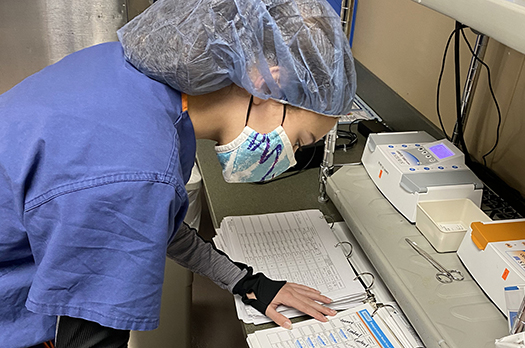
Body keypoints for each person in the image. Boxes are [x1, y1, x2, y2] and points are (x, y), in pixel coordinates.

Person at [0, 0, 356, 346]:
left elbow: (144, 226)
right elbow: (89, 337)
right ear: (264, 84)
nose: (291, 158)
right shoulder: (136, 167)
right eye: (299, 140)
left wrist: (247, 283)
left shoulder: (134, 84)